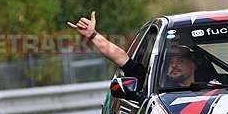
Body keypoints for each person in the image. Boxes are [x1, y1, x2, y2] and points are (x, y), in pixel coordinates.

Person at [67, 11, 197, 87]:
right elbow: (121, 57)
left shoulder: (214, 86)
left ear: (193, 65)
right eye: (169, 61)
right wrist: (93, 35)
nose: (173, 65)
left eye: (180, 60)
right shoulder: (151, 84)